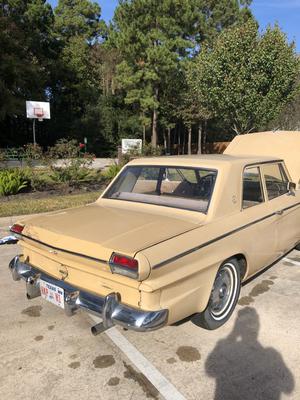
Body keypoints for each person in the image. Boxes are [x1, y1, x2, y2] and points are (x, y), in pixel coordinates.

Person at [205, 307, 294, 400]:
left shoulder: (225, 345)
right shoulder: (272, 354)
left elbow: (210, 371)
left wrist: (233, 334)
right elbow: (289, 388)